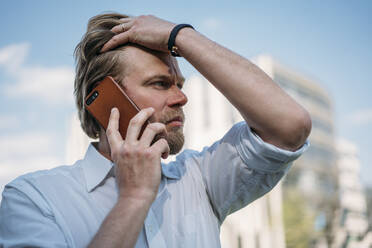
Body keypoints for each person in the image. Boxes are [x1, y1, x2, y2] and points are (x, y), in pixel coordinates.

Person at [0, 13, 311, 248]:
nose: (181, 97)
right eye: (161, 84)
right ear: (105, 100)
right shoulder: (34, 198)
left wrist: (180, 36)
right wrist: (134, 198)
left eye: (179, 84)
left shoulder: (199, 177)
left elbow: (290, 126)